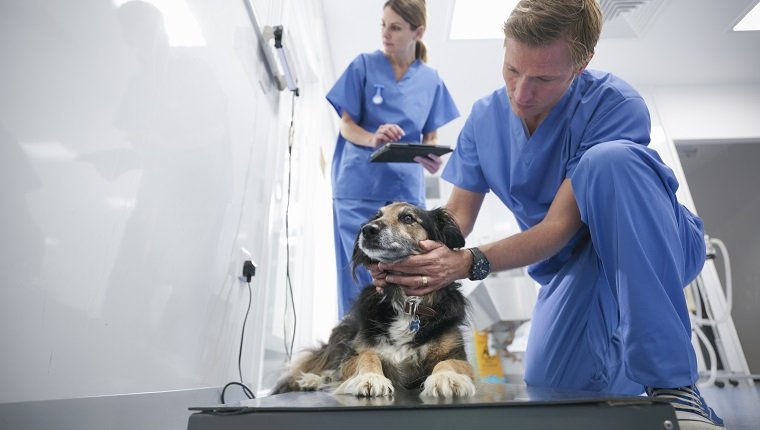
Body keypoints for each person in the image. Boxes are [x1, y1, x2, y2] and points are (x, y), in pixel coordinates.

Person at [371, 1, 724, 428]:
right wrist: (409, 255)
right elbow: (456, 219)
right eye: (512, 71)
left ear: (582, 64)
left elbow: (559, 226)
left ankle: (675, 390)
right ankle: (635, 390)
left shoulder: (615, 105)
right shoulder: (484, 121)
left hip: (647, 237)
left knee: (609, 162)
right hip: (570, 269)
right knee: (552, 388)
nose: (522, 94)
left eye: (543, 79)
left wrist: (467, 262)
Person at [326, 0, 460, 318]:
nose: (385, 34)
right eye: (383, 25)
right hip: (360, 184)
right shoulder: (363, 66)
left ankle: (405, 347)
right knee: (361, 272)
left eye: (396, 27)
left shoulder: (431, 80)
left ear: (418, 31)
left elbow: (430, 138)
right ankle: (357, 350)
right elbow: (347, 126)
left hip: (405, 193)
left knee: (409, 270)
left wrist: (431, 157)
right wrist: (374, 138)